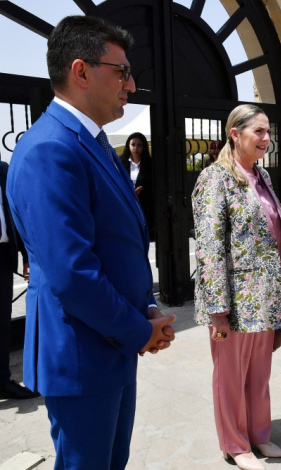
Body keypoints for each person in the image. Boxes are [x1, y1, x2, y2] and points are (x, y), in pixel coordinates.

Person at [6, 16, 176, 469]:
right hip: (82, 353)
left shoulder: (93, 142)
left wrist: (145, 309)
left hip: (110, 343)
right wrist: (139, 330)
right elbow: (72, 273)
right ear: (81, 71)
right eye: (121, 71)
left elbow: (116, 244)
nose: (132, 83)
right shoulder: (51, 149)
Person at [192, 104, 281, 470]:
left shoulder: (260, 177)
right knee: (231, 376)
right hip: (235, 301)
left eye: (268, 132)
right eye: (259, 132)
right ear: (235, 133)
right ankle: (235, 444)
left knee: (259, 374)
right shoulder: (215, 178)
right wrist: (217, 309)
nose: (267, 139)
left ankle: (259, 435)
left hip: (266, 298)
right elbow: (210, 248)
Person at [0, 161, 38, 400]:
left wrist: (26, 255)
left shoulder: (4, 170)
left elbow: (16, 213)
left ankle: (2, 380)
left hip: (2, 257)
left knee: (2, 322)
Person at [119, 132, 155, 238]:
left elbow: (155, 183)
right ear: (128, 146)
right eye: (133, 144)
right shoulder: (121, 163)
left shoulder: (150, 164)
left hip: (144, 203)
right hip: (126, 201)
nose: (136, 148)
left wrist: (143, 188)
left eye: (139, 145)